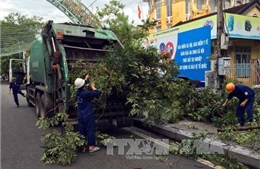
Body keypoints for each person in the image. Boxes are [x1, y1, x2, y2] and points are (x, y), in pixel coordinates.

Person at [74, 74, 100, 153]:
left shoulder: (78, 92)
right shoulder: (86, 93)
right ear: (83, 85)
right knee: (90, 130)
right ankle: (91, 147)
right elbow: (96, 93)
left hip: (80, 115)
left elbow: (81, 85)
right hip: (87, 114)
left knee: (82, 130)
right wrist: (93, 87)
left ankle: (83, 147)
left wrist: (85, 79)